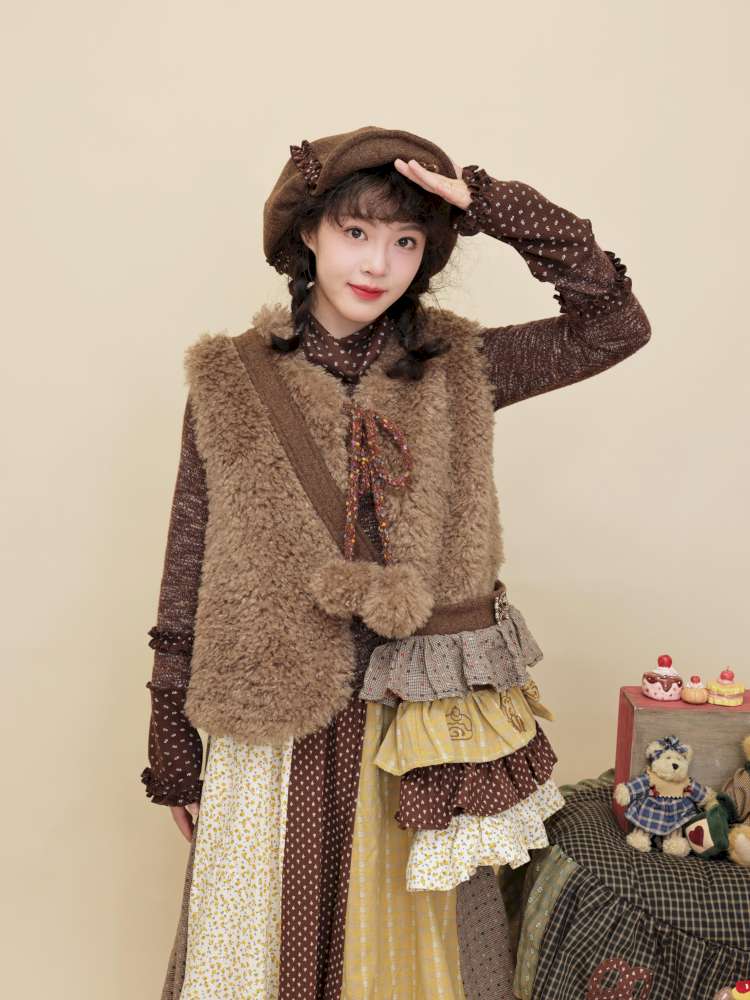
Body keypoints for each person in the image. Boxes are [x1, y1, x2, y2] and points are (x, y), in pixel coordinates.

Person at [141, 125, 651, 999]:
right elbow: (187, 558)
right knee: (258, 946)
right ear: (308, 232)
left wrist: (491, 206)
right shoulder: (229, 380)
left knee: (419, 950)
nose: (379, 263)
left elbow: (614, 325)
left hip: (418, 719)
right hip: (272, 713)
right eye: (356, 232)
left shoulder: (463, 364)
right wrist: (173, 742)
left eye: (407, 240)